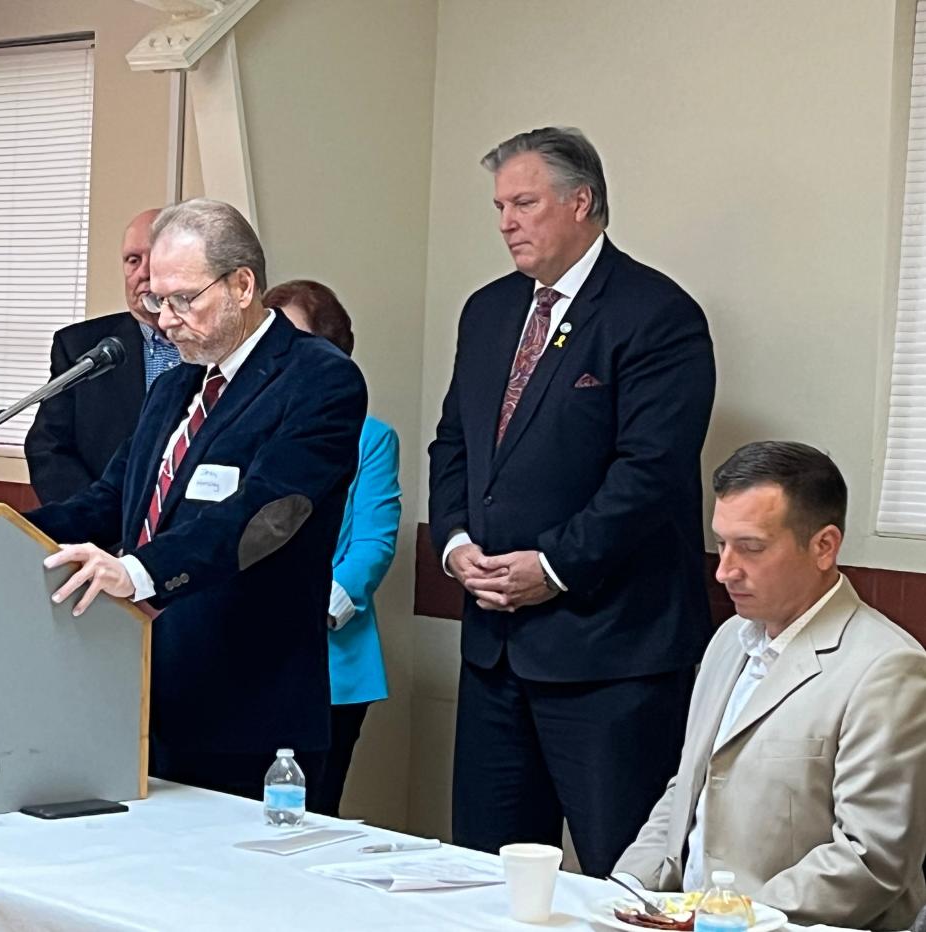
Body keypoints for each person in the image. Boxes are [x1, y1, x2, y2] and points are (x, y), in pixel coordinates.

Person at [428, 126, 717, 874]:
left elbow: (648, 475)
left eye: (524, 202)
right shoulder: (488, 311)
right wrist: (456, 546)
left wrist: (552, 566)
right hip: (494, 652)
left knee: (622, 878)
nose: (506, 222)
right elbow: (454, 445)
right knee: (486, 876)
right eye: (499, 206)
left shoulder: (656, 314)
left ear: (581, 201)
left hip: (610, 656)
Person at [25, 199, 367, 800]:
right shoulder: (178, 385)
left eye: (184, 299)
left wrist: (137, 571)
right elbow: (107, 501)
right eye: (158, 300)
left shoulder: (319, 377)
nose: (166, 319)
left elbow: (267, 515)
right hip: (143, 693)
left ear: (242, 285)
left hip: (250, 709)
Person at [615, 442, 926, 929]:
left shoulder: (887, 667)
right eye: (721, 544)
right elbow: (688, 787)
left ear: (824, 546)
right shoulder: (728, 641)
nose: (724, 571)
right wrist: (627, 889)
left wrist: (725, 919)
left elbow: (871, 859)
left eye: (752, 548)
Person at [265, 279, 402, 817]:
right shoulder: (238, 428)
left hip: (328, 656)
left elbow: (373, 543)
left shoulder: (370, 437)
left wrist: (305, 613)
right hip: (235, 658)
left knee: (308, 813)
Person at [24, 207, 181, 504]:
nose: (143, 273)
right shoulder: (81, 347)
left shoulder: (213, 345)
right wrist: (98, 518)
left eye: (157, 258)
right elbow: (48, 447)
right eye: (133, 260)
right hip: (100, 531)